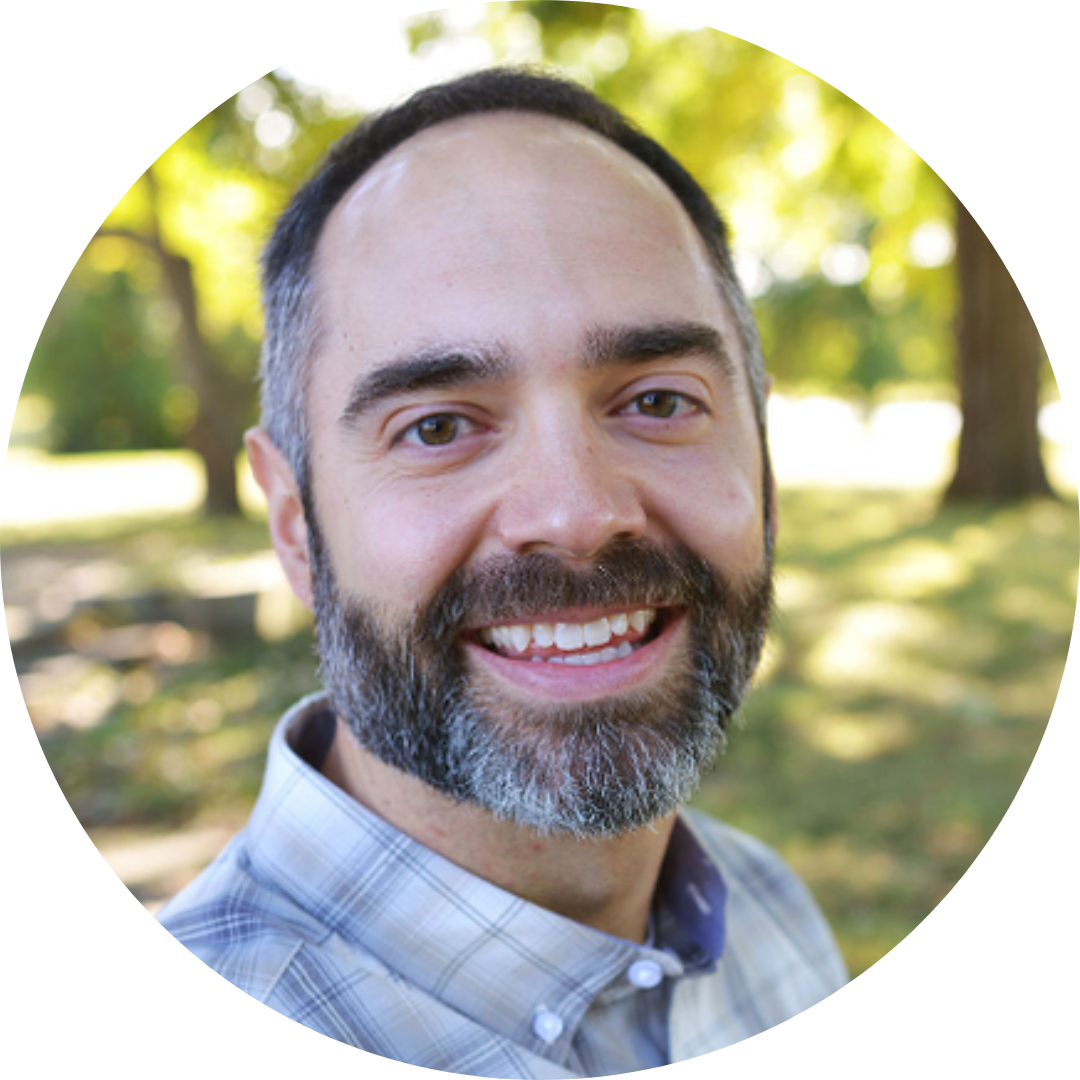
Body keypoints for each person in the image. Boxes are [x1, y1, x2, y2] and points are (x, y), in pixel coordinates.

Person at [158, 66, 848, 1071]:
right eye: (438, 426)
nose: (577, 515)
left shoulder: (771, 911)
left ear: (764, 462)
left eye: (659, 402)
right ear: (296, 525)